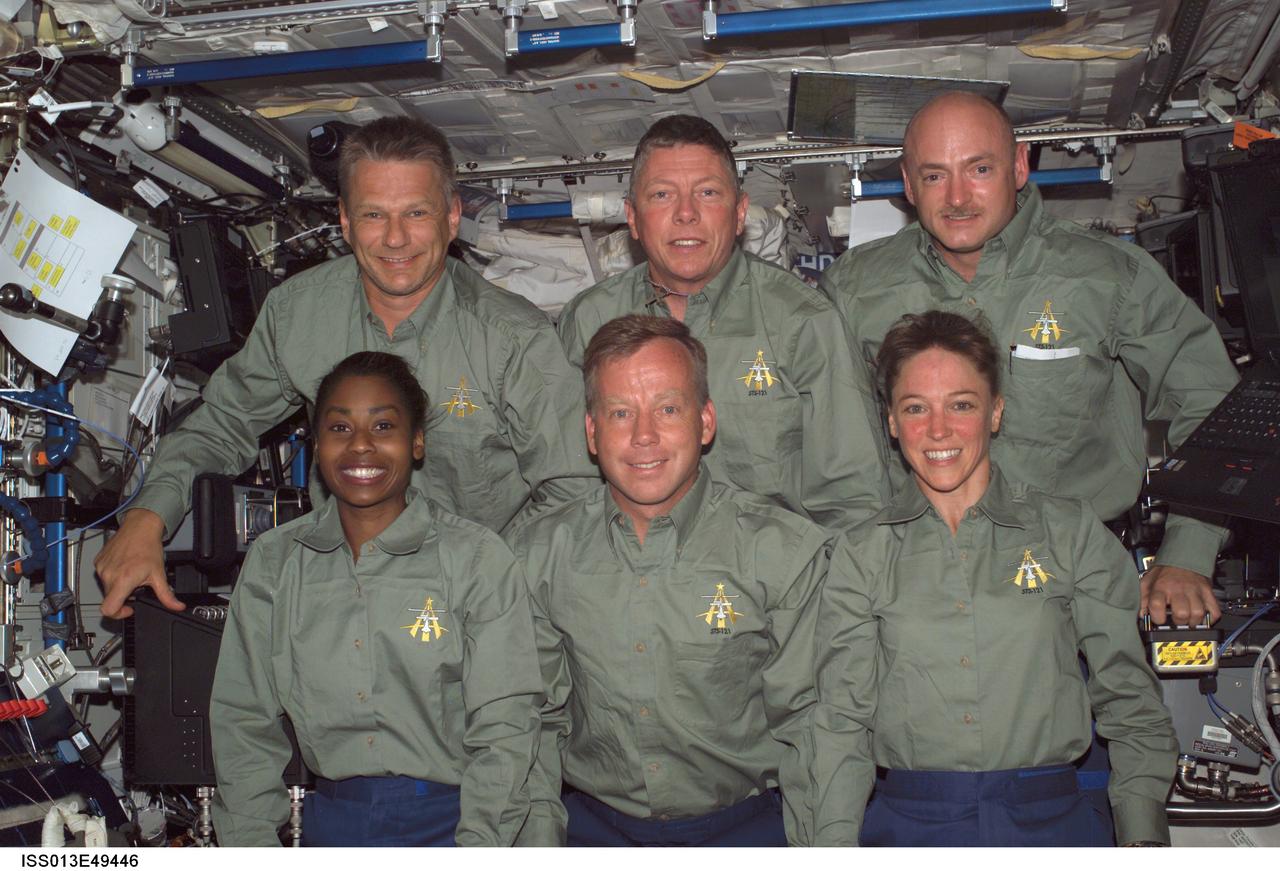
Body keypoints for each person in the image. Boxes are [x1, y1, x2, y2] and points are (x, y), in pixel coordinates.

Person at [96, 116, 595, 619]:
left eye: (416, 213)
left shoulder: (513, 337)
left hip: (479, 601)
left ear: (450, 217)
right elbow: (224, 422)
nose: (395, 239)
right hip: (346, 598)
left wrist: (496, 584)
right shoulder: (299, 313)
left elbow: (572, 490)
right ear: (345, 221)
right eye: (374, 215)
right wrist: (146, 516)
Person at [818, 91, 1239, 627]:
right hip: (917, 586)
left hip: (1075, 581)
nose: (957, 197)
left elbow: (1211, 400)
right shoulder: (856, 291)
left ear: (1019, 165)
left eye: (979, 168)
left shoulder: (1108, 276)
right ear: (906, 183)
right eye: (933, 176)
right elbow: (831, 447)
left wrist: (1187, 553)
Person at [810, 311, 1177, 847]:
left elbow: (1129, 699)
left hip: (1052, 822)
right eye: (916, 408)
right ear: (891, 421)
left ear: (996, 412)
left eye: (961, 404)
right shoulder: (862, 553)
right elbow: (841, 723)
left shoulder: (1068, 532)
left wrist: (1143, 840)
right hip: (910, 826)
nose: (938, 430)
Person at [505, 315, 829, 846]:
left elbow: (813, 730)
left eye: (668, 409)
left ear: (705, 422)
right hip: (590, 828)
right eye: (619, 413)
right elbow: (531, 724)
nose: (644, 436)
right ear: (591, 432)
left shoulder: (782, 552)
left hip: (749, 828)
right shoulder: (537, 554)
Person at [210, 351, 543, 846]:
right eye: (340, 429)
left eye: (383, 426)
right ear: (317, 443)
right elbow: (242, 721)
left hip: (457, 824)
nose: (360, 446)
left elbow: (506, 727)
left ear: (417, 442)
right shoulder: (276, 562)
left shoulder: (475, 559)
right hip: (332, 826)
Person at [556, 114, 886, 532]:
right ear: (633, 218)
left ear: (740, 213)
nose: (686, 214)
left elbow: (855, 505)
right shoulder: (588, 321)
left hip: (773, 586)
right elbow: (568, 489)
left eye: (708, 193)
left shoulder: (803, 322)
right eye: (662, 195)